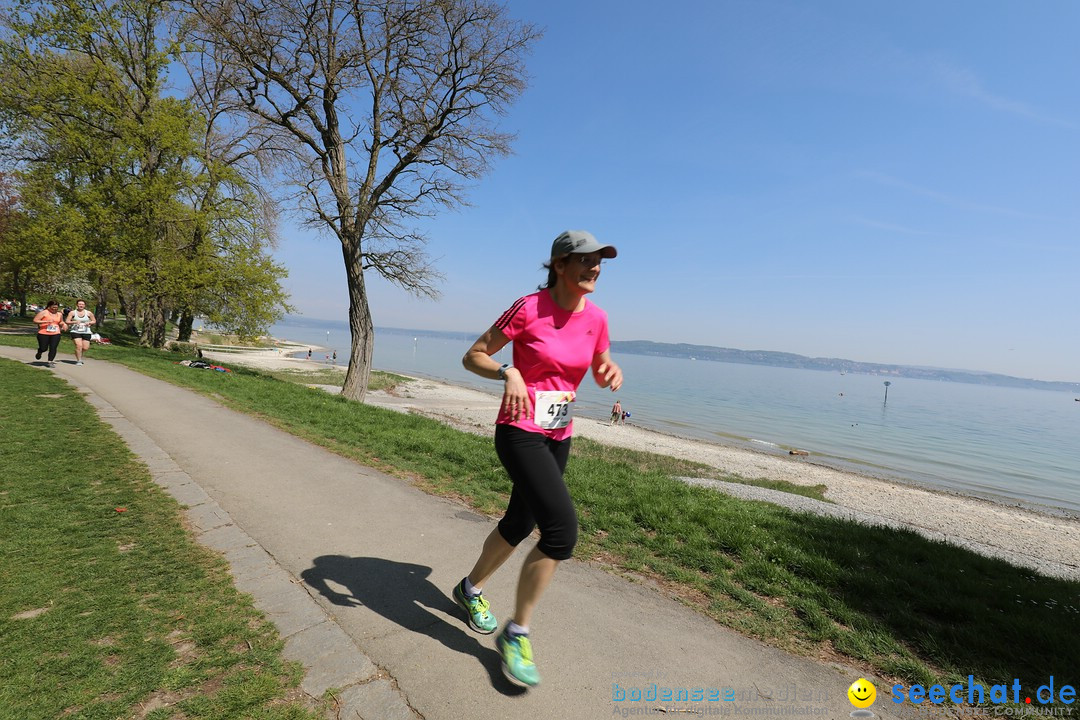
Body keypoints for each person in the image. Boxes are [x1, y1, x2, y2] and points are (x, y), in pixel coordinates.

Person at [454, 230, 622, 687]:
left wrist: (609, 369)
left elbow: (598, 359)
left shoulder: (599, 318)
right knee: (562, 532)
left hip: (558, 434)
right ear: (560, 265)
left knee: (518, 524)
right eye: (585, 260)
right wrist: (508, 372)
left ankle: (469, 589)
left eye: (600, 261)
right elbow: (473, 356)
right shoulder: (528, 308)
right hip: (518, 431)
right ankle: (517, 632)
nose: (595, 268)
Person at [32, 300, 67, 367]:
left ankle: (50, 361)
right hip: (43, 333)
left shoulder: (59, 314)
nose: (54, 309)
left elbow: (60, 322)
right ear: (49, 307)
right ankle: (40, 352)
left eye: (56, 307)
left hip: (56, 333)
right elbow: (35, 320)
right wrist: (46, 321)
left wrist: (64, 324)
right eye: (53, 307)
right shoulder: (44, 313)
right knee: (43, 348)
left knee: (53, 347)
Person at [65, 299, 97, 366]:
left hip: (86, 331)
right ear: (77, 305)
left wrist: (89, 323)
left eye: (82, 304)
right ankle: (79, 360)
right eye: (79, 304)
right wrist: (74, 322)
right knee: (79, 345)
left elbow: (94, 320)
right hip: (75, 331)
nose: (81, 305)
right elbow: (67, 321)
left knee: (85, 348)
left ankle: (78, 353)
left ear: (84, 305)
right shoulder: (72, 313)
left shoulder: (88, 313)